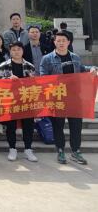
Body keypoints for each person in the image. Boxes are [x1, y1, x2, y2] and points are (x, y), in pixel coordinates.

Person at [40, 32, 98, 165]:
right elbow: (43, 77)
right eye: (58, 40)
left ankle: (76, 151)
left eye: (63, 40)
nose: (61, 43)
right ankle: (60, 150)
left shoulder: (75, 57)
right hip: (57, 98)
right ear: (54, 42)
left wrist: (92, 68)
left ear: (68, 42)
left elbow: (81, 69)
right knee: (58, 126)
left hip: (74, 98)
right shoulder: (47, 59)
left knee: (76, 126)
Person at [0, 41, 38, 162]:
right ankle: (12, 148)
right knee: (11, 126)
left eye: (18, 49)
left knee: (28, 126)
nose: (16, 52)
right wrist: (8, 79)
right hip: (10, 100)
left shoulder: (30, 66)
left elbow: (35, 84)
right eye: (13, 50)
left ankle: (28, 149)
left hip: (26, 100)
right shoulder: (3, 65)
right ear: (10, 52)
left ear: (22, 51)